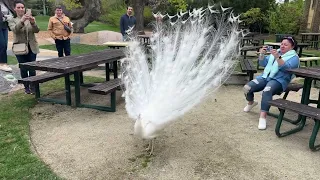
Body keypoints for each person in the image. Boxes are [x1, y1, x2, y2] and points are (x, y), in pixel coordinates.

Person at [243, 36, 299, 130]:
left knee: (267, 90)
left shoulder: (294, 57)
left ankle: (262, 117)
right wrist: (261, 54)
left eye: (286, 45)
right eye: (282, 44)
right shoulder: (276, 52)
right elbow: (263, 63)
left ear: (292, 47)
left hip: (280, 80)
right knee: (247, 87)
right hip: (265, 77)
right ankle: (251, 102)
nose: (282, 46)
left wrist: (278, 57)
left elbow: (286, 68)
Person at [8, 0, 40, 94]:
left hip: (32, 47)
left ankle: (33, 86)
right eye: (18, 7)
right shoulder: (11, 19)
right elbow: (15, 30)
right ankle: (26, 87)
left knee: (32, 68)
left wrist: (33, 23)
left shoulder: (30, 18)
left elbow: (37, 30)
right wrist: (22, 21)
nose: (21, 9)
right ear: (14, 9)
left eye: (22, 7)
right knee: (24, 68)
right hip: (20, 48)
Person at [0, 0, 14, 72]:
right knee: (2, 44)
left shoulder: (5, 2)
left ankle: (4, 63)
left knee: (5, 44)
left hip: (4, 24)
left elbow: (10, 10)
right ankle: (2, 63)